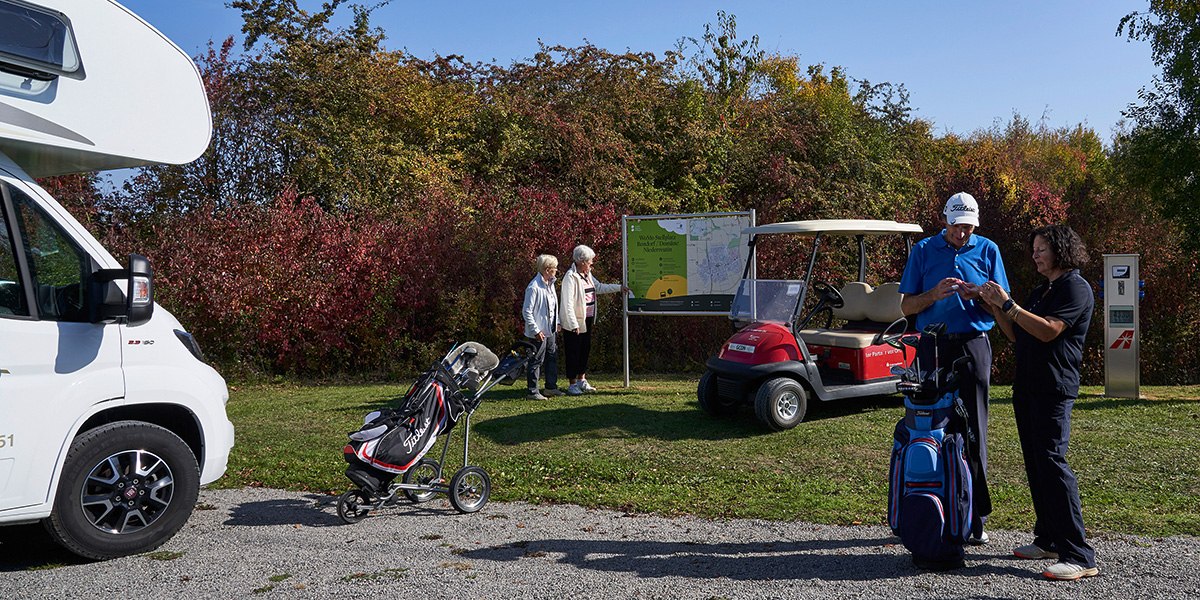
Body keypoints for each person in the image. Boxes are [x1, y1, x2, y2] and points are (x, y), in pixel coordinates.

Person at [979, 224, 1099, 581]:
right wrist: (994, 307)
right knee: (1036, 462)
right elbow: (1017, 333)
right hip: (1027, 386)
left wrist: (1008, 303)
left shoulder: (1075, 288)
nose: (1035, 254)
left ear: (1061, 250)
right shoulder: (1043, 289)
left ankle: (1079, 555)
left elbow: (1048, 330)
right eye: (1034, 248)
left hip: (1053, 388)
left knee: (1052, 462)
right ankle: (1048, 538)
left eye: (1042, 248)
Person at [898, 191, 1009, 545]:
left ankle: (974, 515)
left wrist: (980, 295)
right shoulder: (924, 250)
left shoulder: (988, 249)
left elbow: (1004, 305)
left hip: (973, 343)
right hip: (931, 344)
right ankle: (931, 508)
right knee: (927, 423)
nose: (963, 234)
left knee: (974, 425)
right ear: (944, 221)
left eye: (969, 228)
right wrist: (933, 295)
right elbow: (905, 306)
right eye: (957, 227)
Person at [559, 244, 627, 395]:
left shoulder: (587, 274)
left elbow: (600, 287)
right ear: (582, 261)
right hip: (574, 322)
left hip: (587, 319)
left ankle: (582, 380)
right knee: (573, 351)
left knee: (585, 349)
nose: (591, 263)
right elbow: (567, 303)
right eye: (590, 261)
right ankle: (572, 384)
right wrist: (573, 323)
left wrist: (620, 287)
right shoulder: (570, 277)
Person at [522, 254, 564, 400]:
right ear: (547, 270)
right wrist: (535, 330)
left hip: (550, 330)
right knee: (536, 360)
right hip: (538, 332)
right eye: (554, 268)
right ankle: (533, 391)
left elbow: (553, 306)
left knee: (552, 356)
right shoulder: (533, 287)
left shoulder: (550, 284)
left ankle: (550, 387)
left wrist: (557, 322)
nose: (556, 271)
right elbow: (526, 311)